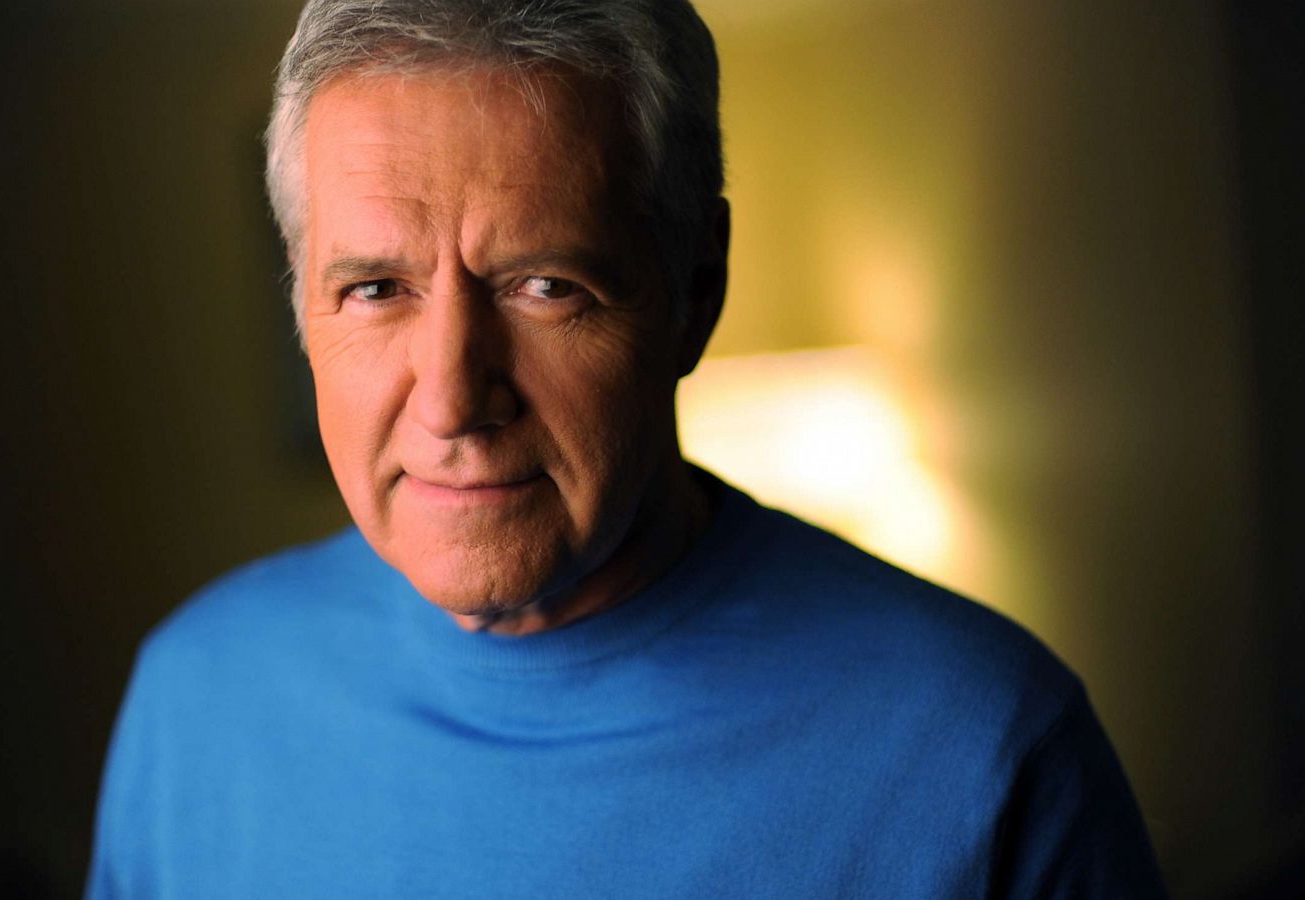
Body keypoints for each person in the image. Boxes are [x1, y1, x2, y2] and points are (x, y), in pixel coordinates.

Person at [86, 1, 1167, 896]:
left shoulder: (984, 746)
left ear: (694, 290)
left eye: (546, 286)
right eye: (374, 289)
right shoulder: (197, 697)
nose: (453, 400)